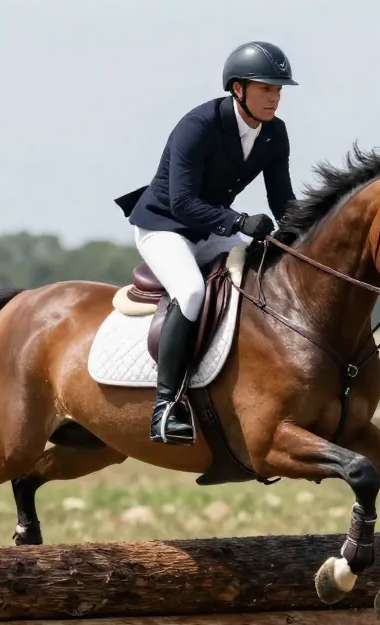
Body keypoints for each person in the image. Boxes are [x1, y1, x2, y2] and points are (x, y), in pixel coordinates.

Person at [113, 40, 299, 445]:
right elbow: (181, 202)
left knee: (263, 271)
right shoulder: (198, 125)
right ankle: (166, 407)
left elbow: (281, 198)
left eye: (278, 90)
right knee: (192, 291)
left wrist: (302, 233)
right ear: (238, 89)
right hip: (164, 226)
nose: (275, 97)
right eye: (266, 88)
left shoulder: (274, 133)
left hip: (210, 229)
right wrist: (238, 221)